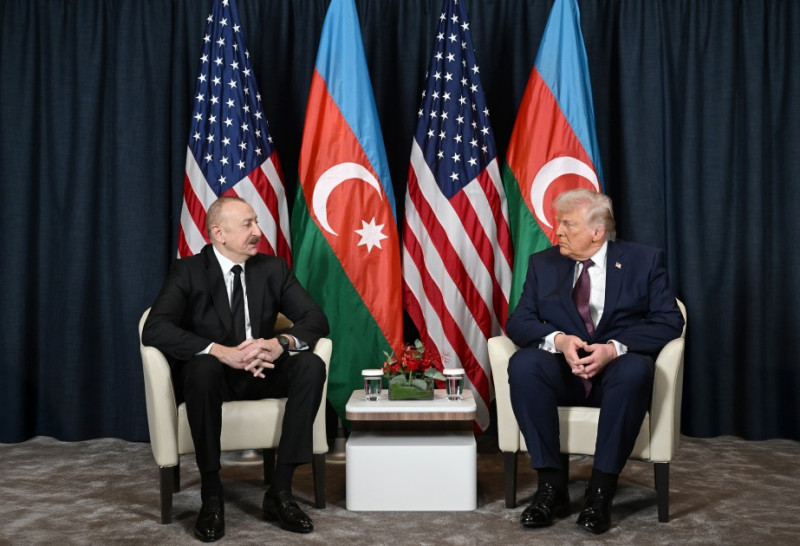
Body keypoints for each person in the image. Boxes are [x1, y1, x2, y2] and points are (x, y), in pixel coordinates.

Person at [142, 196, 329, 542]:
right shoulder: (188, 271)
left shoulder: (273, 269)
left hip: (262, 371)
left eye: (256, 222)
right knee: (202, 369)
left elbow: (315, 318)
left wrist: (279, 343)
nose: (258, 231)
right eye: (248, 224)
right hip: (213, 378)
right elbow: (155, 328)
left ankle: (281, 490)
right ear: (219, 233)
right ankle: (211, 495)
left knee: (311, 365)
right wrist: (220, 352)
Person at [506, 188, 684, 535]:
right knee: (524, 365)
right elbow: (519, 321)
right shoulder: (543, 263)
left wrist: (613, 349)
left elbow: (668, 321)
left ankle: (601, 491)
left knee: (635, 370)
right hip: (564, 373)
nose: (558, 231)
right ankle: (551, 487)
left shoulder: (643, 260)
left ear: (597, 231)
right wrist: (559, 340)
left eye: (567, 224)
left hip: (616, 376)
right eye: (559, 223)